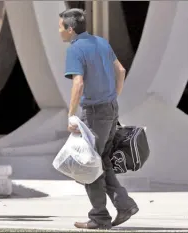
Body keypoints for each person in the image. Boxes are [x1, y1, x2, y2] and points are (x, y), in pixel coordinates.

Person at [58, 9, 139, 230]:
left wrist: (71, 115)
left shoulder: (75, 49)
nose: (59, 31)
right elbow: (120, 71)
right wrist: (113, 98)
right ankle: (124, 205)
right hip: (111, 109)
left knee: (88, 163)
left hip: (94, 112)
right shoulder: (102, 43)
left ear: (70, 29)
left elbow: (78, 83)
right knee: (101, 160)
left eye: (60, 27)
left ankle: (100, 217)